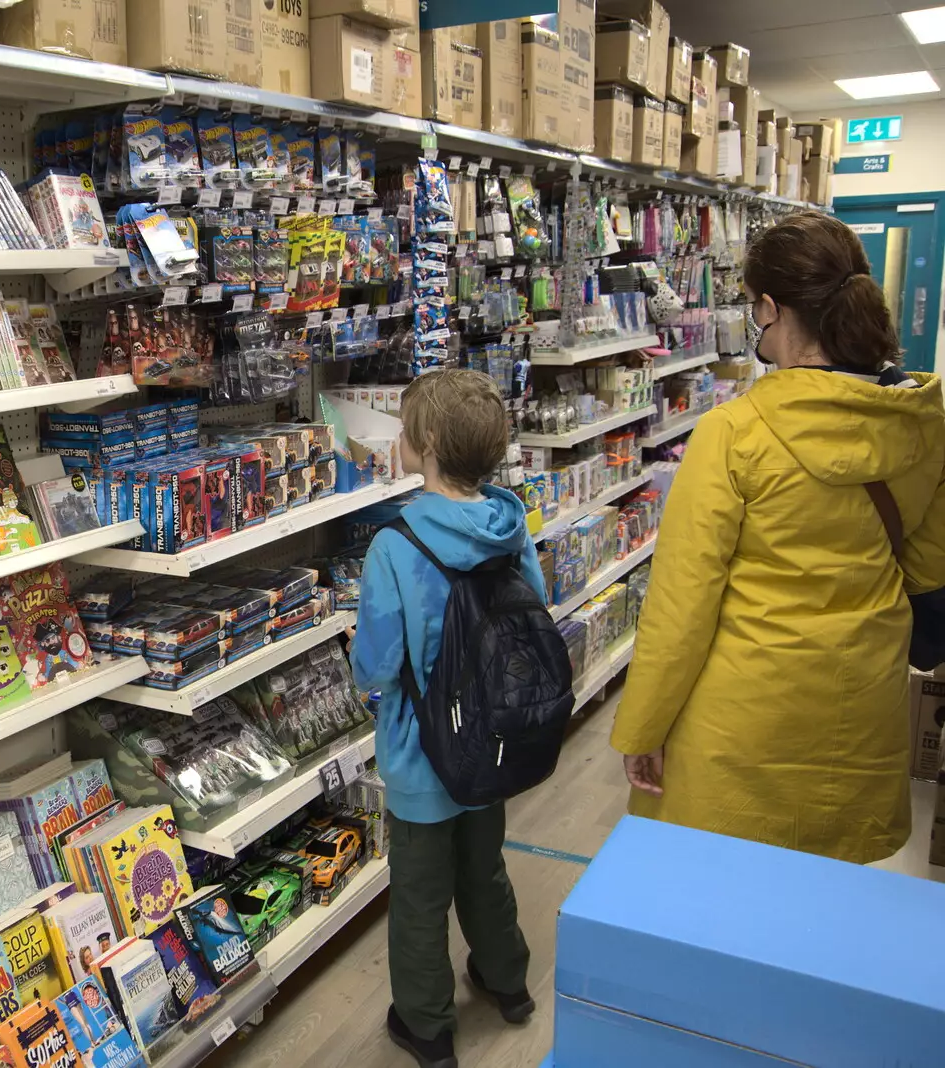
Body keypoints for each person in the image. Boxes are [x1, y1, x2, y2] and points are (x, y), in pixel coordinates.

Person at [612, 211, 945, 864]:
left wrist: (642, 727)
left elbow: (682, 606)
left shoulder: (735, 434)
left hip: (742, 725)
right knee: (822, 915)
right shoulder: (923, 426)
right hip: (860, 713)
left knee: (726, 912)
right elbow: (929, 573)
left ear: (769, 308)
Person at [351, 369, 542, 1068]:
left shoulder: (395, 547)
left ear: (425, 443)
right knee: (484, 869)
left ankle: (427, 1025)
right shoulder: (510, 521)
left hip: (421, 754)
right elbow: (533, 606)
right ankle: (508, 981)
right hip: (492, 745)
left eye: (403, 427)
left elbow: (375, 666)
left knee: (421, 895)